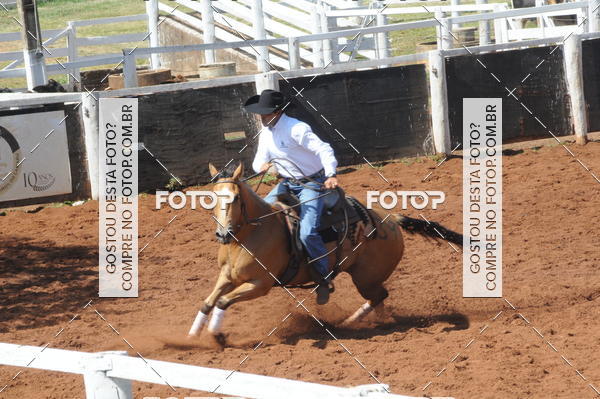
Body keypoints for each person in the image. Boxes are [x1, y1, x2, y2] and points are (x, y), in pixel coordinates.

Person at [244, 89, 339, 305]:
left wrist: (331, 174)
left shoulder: (297, 128)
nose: (261, 117)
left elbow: (324, 149)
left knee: (307, 232)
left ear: (277, 112)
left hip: (311, 184)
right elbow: (258, 161)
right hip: (286, 183)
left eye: (264, 113)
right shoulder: (266, 133)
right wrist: (263, 167)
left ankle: (323, 278)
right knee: (259, 217)